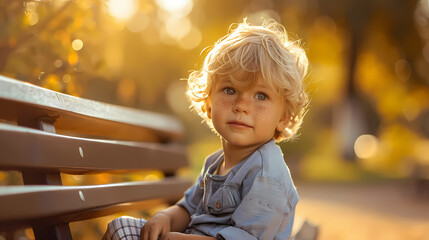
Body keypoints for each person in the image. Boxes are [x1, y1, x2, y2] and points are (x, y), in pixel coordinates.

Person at [103, 18, 309, 240]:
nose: (242, 106)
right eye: (230, 90)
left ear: (284, 117)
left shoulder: (266, 177)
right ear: (208, 103)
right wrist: (165, 218)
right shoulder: (215, 162)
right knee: (121, 227)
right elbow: (188, 209)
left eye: (261, 96)